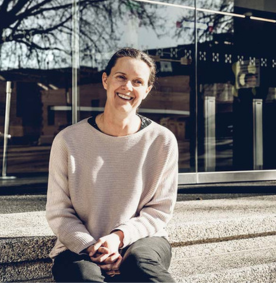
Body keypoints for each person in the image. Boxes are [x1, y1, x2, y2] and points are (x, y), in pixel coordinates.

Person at [46, 47, 179, 283]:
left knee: (140, 265)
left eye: (138, 81)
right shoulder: (68, 140)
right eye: (121, 77)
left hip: (142, 240)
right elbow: (59, 213)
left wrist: (118, 238)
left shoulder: (162, 140)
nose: (128, 87)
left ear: (147, 90)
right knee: (83, 276)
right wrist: (92, 247)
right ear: (105, 80)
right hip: (80, 245)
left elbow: (159, 211)